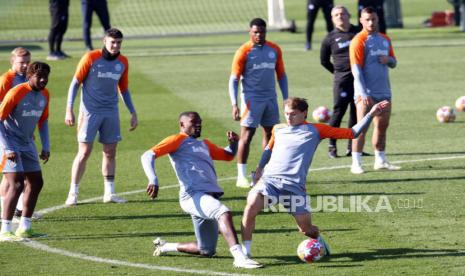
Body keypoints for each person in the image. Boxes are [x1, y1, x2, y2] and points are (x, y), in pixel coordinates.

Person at [240, 97, 389, 257]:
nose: (289, 117)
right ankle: (245, 253)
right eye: (286, 114)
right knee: (250, 207)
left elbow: (352, 133)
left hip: (294, 187)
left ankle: (318, 239)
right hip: (270, 181)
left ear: (304, 113)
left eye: (293, 114)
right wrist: (260, 169)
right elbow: (269, 149)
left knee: (306, 230)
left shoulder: (316, 130)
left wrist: (371, 114)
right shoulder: (278, 129)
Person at [140, 111, 262, 269]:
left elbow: (227, 155)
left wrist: (233, 143)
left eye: (200, 122)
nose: (198, 124)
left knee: (206, 250)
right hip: (192, 195)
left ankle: (165, 246)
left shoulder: (204, 144)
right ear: (182, 125)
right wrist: (153, 179)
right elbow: (147, 155)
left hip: (207, 197)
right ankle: (239, 257)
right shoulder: (177, 140)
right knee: (223, 212)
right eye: (193, 122)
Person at [64, 28, 138, 206]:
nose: (115, 45)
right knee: (84, 152)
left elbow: (124, 89)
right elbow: (75, 83)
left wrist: (132, 111)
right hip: (89, 112)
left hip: (111, 112)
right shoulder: (90, 58)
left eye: (119, 42)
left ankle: (109, 193)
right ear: (104, 41)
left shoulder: (123, 62)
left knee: (110, 152)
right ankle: (73, 193)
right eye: (112, 42)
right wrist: (69, 109)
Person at [229, 18, 288, 188]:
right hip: (251, 99)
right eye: (255, 32)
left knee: (270, 134)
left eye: (262, 32)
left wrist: (285, 98)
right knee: (247, 135)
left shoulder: (274, 49)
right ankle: (241, 176)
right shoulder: (244, 51)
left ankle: (265, 171)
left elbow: (282, 75)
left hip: (270, 97)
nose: (259, 35)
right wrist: (234, 104)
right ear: (250, 32)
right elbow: (233, 79)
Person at [0, 62, 51, 241]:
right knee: (17, 184)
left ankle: (25, 227)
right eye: (39, 77)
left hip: (27, 142)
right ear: (29, 76)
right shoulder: (16, 92)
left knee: (36, 182)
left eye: (46, 76)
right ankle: (4, 230)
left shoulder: (45, 94)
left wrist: (46, 145)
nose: (44, 80)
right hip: (8, 142)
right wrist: (7, 147)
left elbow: (43, 121)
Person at [349, 7, 399, 174]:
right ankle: (356, 163)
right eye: (367, 19)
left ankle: (380, 160)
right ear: (361, 21)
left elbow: (394, 63)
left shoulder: (385, 39)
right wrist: (364, 94)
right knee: (361, 129)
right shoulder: (358, 40)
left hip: (384, 92)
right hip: (366, 94)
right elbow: (356, 71)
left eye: (373, 19)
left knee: (382, 127)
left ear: (378, 20)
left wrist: (388, 59)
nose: (371, 22)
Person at [320, 6, 360, 158]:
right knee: (338, 113)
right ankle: (332, 145)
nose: (340, 16)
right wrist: (338, 72)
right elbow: (324, 61)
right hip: (342, 82)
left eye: (343, 13)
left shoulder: (358, 32)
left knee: (356, 113)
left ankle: (353, 147)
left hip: (360, 81)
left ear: (349, 15)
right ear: (332, 19)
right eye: (336, 15)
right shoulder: (329, 38)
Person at [0, 47, 31, 219]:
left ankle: (17, 209)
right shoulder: (6, 80)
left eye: (27, 62)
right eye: (21, 62)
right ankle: (8, 211)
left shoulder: (26, 78)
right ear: (12, 62)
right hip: (5, 135)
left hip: (20, 134)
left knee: (14, 174)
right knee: (11, 174)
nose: (25, 65)